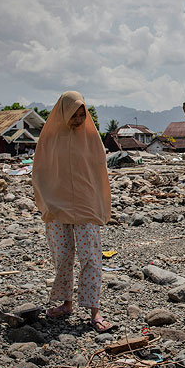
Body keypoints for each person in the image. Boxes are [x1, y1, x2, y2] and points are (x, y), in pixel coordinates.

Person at [32, 91, 114, 332]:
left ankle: (94, 311)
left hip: (86, 204)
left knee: (91, 256)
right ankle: (67, 304)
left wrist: (100, 203)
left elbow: (99, 172)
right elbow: (40, 172)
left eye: (82, 114)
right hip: (58, 207)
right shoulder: (50, 138)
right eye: (74, 114)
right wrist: (47, 202)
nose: (79, 119)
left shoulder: (90, 136)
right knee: (63, 256)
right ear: (63, 113)